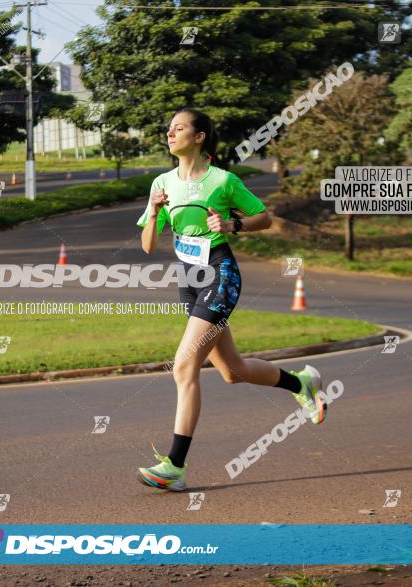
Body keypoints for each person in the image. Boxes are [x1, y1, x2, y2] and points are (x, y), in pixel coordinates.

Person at [135, 108, 326, 491]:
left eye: (179, 128)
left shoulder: (223, 181)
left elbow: (264, 218)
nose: (170, 133)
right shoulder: (163, 183)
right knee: (232, 371)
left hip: (220, 275)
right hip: (188, 278)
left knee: (183, 367)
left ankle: (175, 466)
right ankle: (301, 384)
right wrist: (155, 213)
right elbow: (147, 245)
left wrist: (231, 224)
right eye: (169, 128)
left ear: (200, 136)